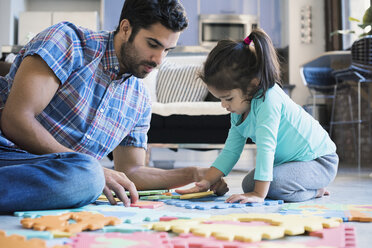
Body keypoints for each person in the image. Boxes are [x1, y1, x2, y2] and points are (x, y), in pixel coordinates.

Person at [0, 0, 227, 213]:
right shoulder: (68, 41)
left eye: (167, 50)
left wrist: (195, 173)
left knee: (87, 178)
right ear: (126, 28)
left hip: (53, 173)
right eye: (152, 44)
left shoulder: (139, 100)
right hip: (7, 152)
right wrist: (92, 169)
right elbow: (16, 119)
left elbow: (131, 173)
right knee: (89, 176)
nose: (159, 60)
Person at [177, 28, 338, 203]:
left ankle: (316, 191)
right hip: (289, 164)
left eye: (228, 98)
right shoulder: (239, 110)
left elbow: (266, 147)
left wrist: (259, 195)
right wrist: (206, 181)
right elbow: (231, 150)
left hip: (319, 162)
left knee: (271, 186)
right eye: (221, 99)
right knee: (248, 184)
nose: (224, 105)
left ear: (253, 84)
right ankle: (301, 187)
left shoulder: (269, 99)